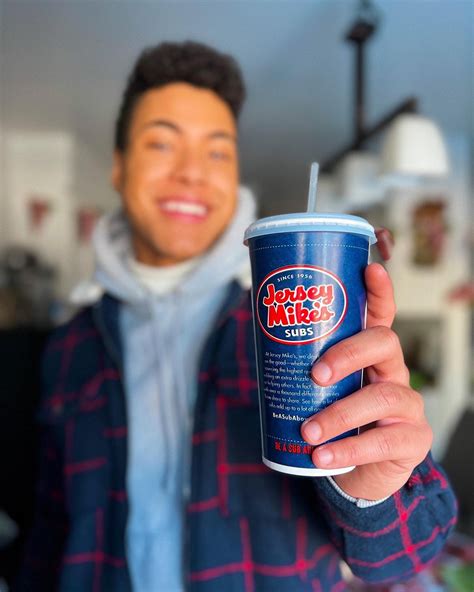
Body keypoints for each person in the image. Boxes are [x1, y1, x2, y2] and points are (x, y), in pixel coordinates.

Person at [18, 41, 457, 592]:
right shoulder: (68, 348)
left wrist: (374, 488)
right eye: (162, 143)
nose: (192, 173)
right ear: (120, 166)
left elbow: (404, 558)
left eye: (217, 152)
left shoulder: (301, 331)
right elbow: (50, 529)